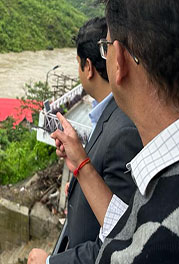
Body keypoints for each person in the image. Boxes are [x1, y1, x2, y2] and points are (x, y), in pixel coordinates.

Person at [52, 0, 179, 263]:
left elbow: (131, 241)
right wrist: (81, 164)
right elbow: (128, 223)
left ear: (117, 60)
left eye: (107, 46)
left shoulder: (155, 248)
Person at [28, 17, 142, 264]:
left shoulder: (124, 132)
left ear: (88, 67)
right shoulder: (109, 114)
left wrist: (48, 262)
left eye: (78, 64)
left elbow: (120, 240)